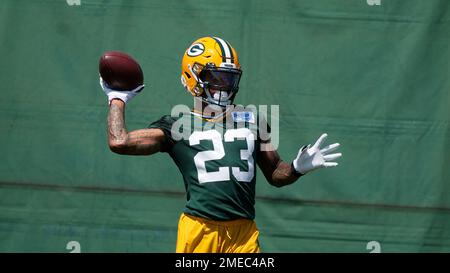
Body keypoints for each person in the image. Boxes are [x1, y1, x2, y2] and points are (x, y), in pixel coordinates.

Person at [100, 36, 342, 253]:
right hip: (200, 231)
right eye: (214, 77)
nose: (223, 85)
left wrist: (297, 168)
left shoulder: (253, 120)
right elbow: (119, 142)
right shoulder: (177, 125)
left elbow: (276, 173)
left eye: (228, 77)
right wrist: (117, 99)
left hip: (244, 233)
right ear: (192, 76)